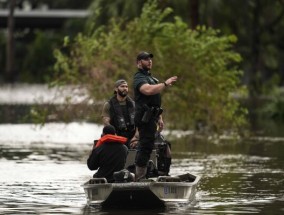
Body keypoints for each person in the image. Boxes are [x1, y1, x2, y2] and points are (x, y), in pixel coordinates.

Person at [133, 51, 178, 181]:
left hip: (152, 117)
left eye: (150, 59)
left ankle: (154, 173)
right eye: (146, 59)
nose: (149, 61)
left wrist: (160, 118)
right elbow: (148, 90)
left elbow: (155, 101)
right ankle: (140, 178)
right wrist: (164, 84)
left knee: (154, 146)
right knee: (145, 146)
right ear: (139, 63)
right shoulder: (139, 78)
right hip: (144, 118)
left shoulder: (151, 78)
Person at [101, 79, 138, 148]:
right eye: (122, 86)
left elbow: (139, 123)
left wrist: (136, 137)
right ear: (116, 89)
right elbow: (106, 123)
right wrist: (115, 137)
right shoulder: (108, 105)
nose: (125, 88)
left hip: (132, 137)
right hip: (115, 137)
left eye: (126, 87)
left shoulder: (133, 104)